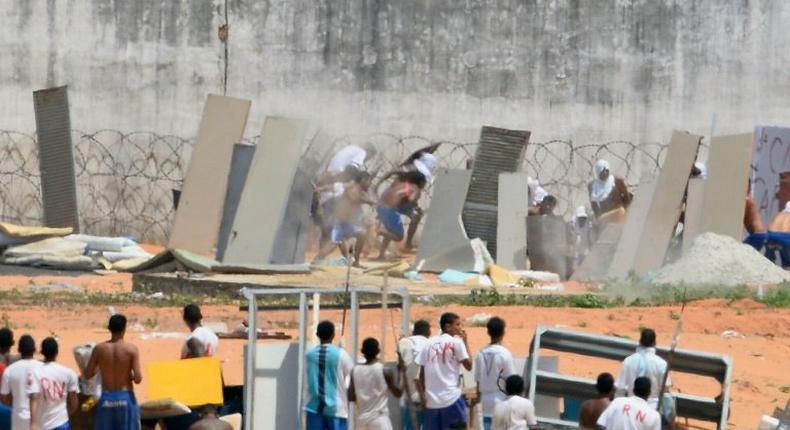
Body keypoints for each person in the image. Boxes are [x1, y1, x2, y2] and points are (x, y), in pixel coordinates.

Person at [85, 314, 143, 430]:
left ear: (109, 328)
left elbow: (88, 374)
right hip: (125, 397)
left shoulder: (99, 349)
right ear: (124, 328)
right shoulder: (131, 349)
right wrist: (129, 375)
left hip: (107, 398)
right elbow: (138, 379)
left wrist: (102, 367)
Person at [415, 312, 472, 430]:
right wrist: (465, 342)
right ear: (447, 326)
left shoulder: (428, 343)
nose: (460, 328)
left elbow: (421, 375)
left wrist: (423, 398)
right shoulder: (457, 343)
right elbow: (469, 365)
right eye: (457, 324)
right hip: (452, 399)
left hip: (432, 402)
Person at [314, 171, 375, 267]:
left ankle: (356, 262)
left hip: (346, 223)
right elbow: (353, 198)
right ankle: (316, 260)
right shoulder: (353, 188)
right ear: (363, 180)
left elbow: (334, 186)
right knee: (333, 244)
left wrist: (321, 188)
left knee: (362, 234)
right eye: (369, 181)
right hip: (338, 222)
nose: (369, 184)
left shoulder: (351, 185)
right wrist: (368, 201)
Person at [305, 321, 354, 430]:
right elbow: (352, 374)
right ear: (333, 335)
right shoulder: (341, 354)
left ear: (317, 335)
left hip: (314, 407)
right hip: (337, 409)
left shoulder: (309, 355)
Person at [348, 338, 403, 430]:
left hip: (361, 421)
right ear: (378, 351)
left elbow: (350, 397)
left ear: (362, 351)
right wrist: (401, 374)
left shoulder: (355, 371)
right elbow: (398, 393)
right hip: (380, 420)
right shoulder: (385, 371)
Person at [475, 317, 517, 430]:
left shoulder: (480, 354)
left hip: (485, 402)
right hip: (501, 400)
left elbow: (478, 382)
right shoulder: (505, 354)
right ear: (503, 332)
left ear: (488, 332)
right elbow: (512, 382)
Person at [28, 337, 79, 430]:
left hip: (42, 425)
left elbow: (34, 397)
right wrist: (63, 416)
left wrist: (33, 423)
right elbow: (74, 403)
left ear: (42, 352)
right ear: (57, 352)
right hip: (62, 423)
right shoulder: (69, 373)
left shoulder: (35, 372)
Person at [375, 171, 427, 260]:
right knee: (398, 236)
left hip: (380, 206)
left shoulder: (400, 182)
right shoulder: (415, 188)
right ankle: (377, 231)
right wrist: (416, 207)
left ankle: (381, 255)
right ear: (421, 182)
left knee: (389, 232)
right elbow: (411, 199)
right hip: (390, 210)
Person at [616, 329, 670, 410]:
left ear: (640, 341)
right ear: (654, 343)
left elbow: (620, 388)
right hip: (653, 409)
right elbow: (665, 391)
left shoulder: (628, 361)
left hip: (631, 408)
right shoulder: (661, 364)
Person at [0, 335, 42, 430]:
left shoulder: (10, 370)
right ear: (34, 349)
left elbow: (4, 398)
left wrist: (15, 404)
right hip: (40, 416)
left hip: (18, 417)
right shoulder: (43, 368)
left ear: (19, 350)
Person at [397, 320, 431, 430]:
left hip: (410, 398)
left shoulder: (404, 343)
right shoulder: (431, 344)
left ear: (413, 331)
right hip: (429, 399)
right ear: (429, 331)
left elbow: (399, 367)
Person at [765, 202, 790, 267]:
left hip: (770, 235)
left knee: (768, 261)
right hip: (784, 238)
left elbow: (768, 228)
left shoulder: (779, 214)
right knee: (787, 265)